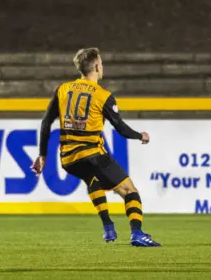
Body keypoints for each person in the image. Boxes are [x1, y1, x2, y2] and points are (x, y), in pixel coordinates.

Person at [31, 47, 161, 247]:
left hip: (68, 159)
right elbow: (121, 129)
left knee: (93, 180)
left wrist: (42, 155)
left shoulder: (63, 89)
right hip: (93, 154)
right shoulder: (103, 96)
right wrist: (140, 136)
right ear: (97, 66)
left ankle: (108, 225)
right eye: (101, 63)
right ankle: (137, 233)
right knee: (129, 190)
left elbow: (46, 122)